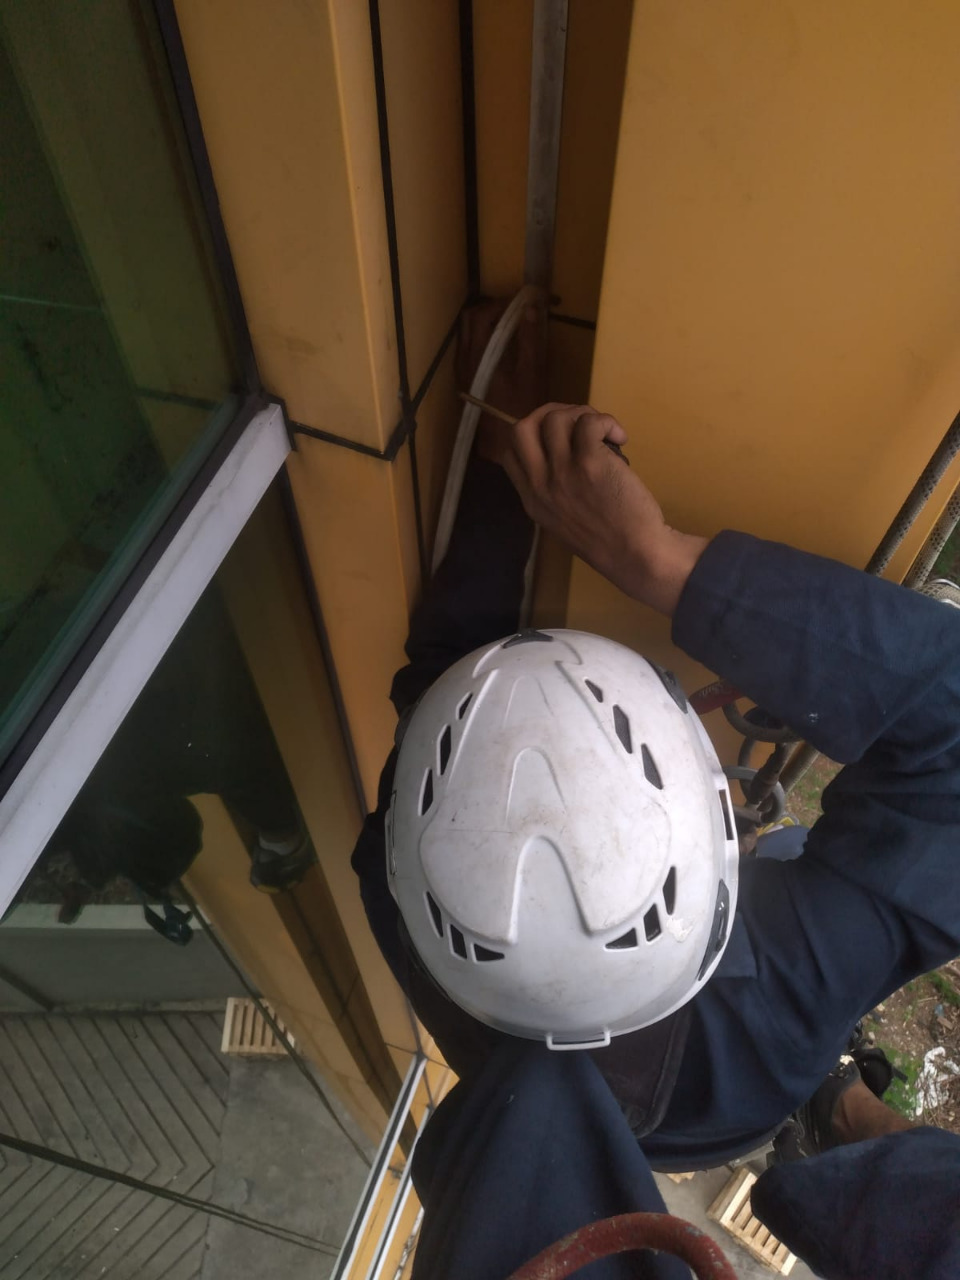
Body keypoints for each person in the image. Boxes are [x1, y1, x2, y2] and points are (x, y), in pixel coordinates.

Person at [351, 303, 960, 1273]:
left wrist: (505, 471)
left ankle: (828, 1105)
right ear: (712, 834)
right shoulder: (796, 974)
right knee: (799, 855)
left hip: (692, 1095)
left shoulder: (400, 881)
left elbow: (440, 696)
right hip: (739, 1073)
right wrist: (659, 560)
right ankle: (832, 1106)